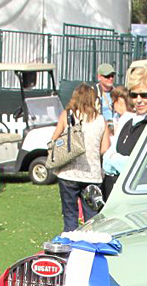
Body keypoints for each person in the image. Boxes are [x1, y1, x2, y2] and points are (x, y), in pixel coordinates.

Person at [50, 83, 107, 232]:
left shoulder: (67, 115)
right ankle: (89, 248)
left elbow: (54, 139)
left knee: (70, 215)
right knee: (91, 218)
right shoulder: (101, 120)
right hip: (92, 174)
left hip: (68, 172)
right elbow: (104, 148)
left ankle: (69, 247)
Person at [103, 66, 147, 183]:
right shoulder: (128, 122)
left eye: (144, 95)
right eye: (133, 95)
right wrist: (114, 160)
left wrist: (113, 159)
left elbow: (136, 166)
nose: (138, 100)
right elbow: (106, 162)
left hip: (141, 192)